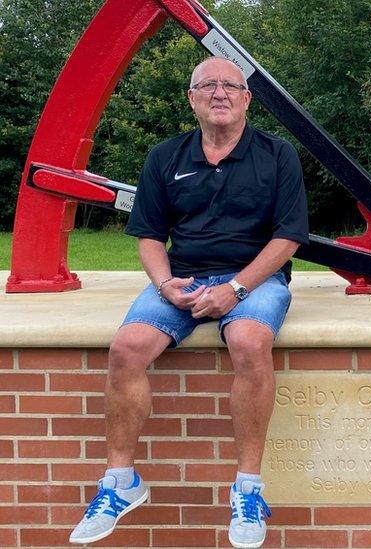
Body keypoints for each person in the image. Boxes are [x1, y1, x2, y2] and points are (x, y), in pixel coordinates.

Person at [69, 56, 308, 549]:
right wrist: (164, 285)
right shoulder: (165, 157)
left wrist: (236, 289)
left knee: (248, 339)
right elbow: (150, 236)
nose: (220, 93)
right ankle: (120, 483)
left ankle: (248, 490)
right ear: (192, 98)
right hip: (184, 279)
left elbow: (288, 239)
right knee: (126, 349)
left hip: (254, 279)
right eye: (208, 85)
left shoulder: (278, 155)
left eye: (230, 86)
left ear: (246, 98)